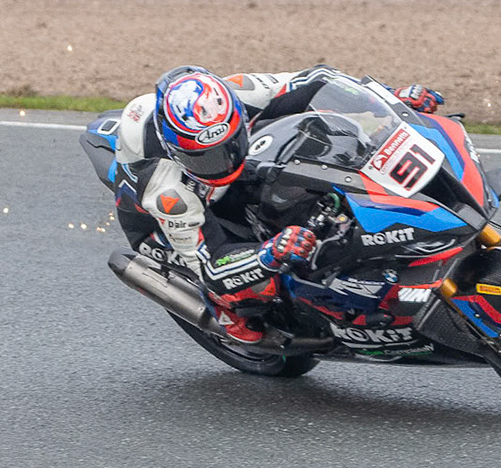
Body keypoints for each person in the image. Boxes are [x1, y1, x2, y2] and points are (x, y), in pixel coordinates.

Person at [112, 67, 444, 344]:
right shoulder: (167, 190)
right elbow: (211, 265)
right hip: (166, 221)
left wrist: (392, 95)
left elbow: (319, 80)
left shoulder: (238, 91)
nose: (222, 161)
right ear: (176, 152)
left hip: (232, 169)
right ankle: (226, 316)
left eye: (226, 146)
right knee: (252, 289)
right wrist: (268, 253)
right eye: (207, 157)